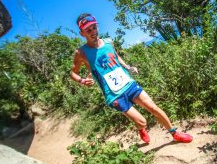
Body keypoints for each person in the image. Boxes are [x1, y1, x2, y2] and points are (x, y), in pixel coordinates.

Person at [70, 13, 193, 143]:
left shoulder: (108, 42)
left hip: (128, 83)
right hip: (114, 95)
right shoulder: (81, 53)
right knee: (143, 122)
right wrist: (82, 80)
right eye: (88, 30)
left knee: (153, 108)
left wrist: (128, 67)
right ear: (82, 33)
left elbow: (116, 57)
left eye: (94, 27)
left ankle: (175, 133)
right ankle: (141, 129)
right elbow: (73, 73)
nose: (93, 32)